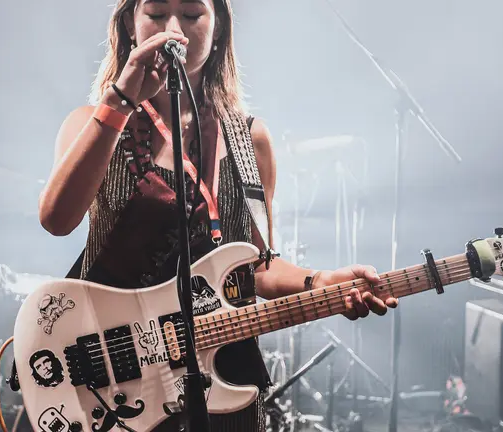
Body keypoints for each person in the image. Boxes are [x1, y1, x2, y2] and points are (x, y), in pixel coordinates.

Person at [38, 0, 398, 430]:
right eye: (156, 14)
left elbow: (257, 267)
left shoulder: (249, 139)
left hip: (223, 371)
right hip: (120, 377)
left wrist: (319, 281)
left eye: (192, 15)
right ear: (130, 26)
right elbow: (56, 220)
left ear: (219, 28)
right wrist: (119, 101)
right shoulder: (91, 123)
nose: (174, 29)